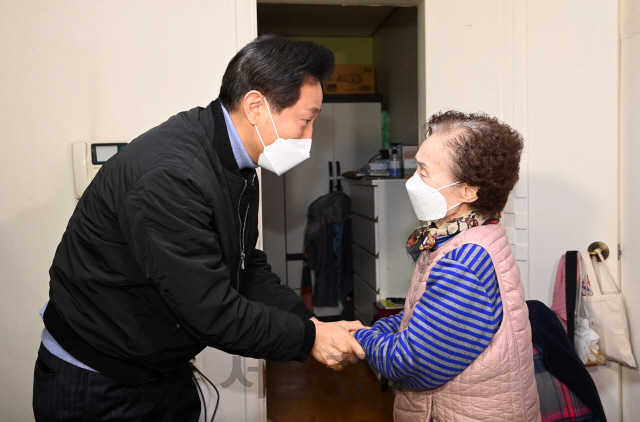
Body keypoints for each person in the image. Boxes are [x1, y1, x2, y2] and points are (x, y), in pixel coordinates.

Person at [33, 34, 366, 422]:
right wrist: (309, 339)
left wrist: (306, 320)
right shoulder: (173, 175)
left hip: (159, 368)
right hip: (99, 379)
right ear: (256, 106)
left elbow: (243, 264)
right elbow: (210, 311)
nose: (309, 139)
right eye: (306, 121)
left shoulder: (235, 159)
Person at [354, 111, 541, 421]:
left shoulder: (464, 262)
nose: (413, 182)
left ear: (469, 190)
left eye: (424, 173)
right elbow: (426, 317)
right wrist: (378, 329)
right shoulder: (474, 233)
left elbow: (410, 364)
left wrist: (359, 337)